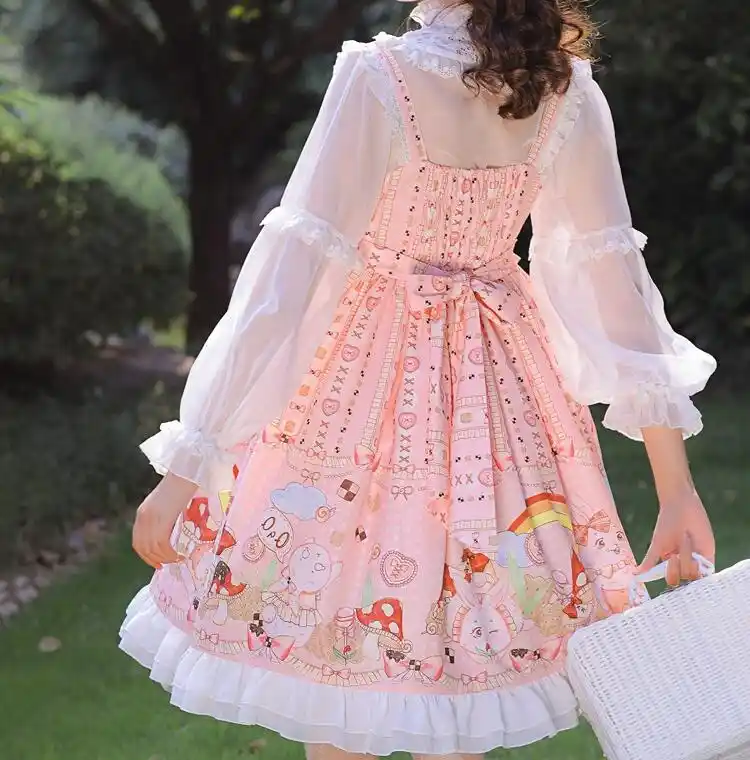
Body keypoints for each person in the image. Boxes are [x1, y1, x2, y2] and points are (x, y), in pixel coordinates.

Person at [120, 1, 717, 758]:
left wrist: (193, 455)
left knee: (340, 691)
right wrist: (675, 486)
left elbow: (294, 274)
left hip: (357, 387)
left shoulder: (379, 75)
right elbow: (612, 289)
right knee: (463, 680)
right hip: (500, 391)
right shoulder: (563, 87)